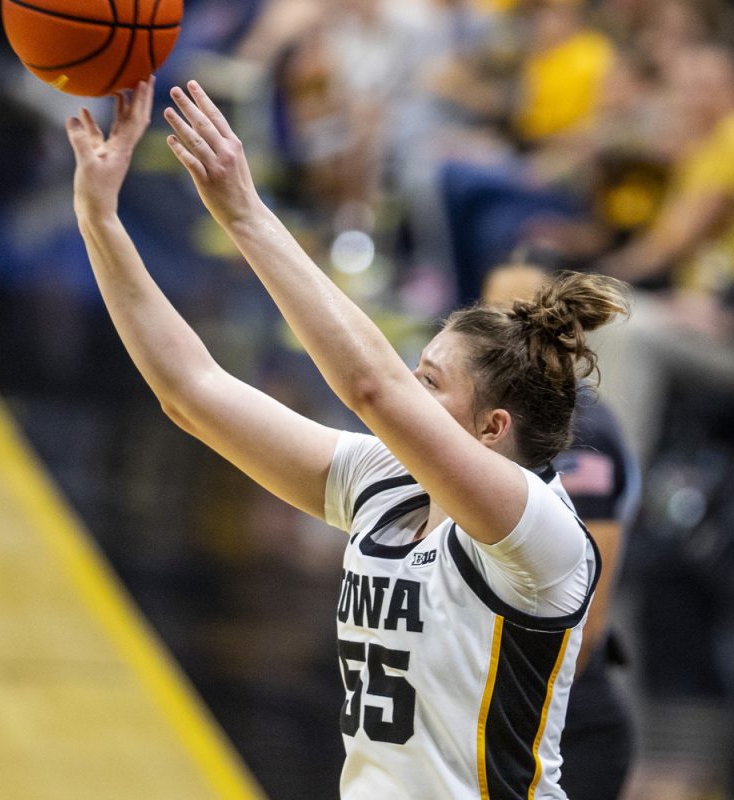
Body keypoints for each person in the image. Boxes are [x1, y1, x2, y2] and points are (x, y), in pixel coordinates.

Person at [65, 77, 630, 798]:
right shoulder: (384, 480)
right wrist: (100, 221)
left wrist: (246, 215)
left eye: (431, 382)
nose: (409, 389)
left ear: (493, 429)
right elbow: (192, 393)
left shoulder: (539, 533)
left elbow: (371, 388)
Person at [483, 260, 639, 800]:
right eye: (490, 311)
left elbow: (586, 612)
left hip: (567, 726)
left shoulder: (585, 433)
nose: (497, 326)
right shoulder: (496, 411)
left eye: (515, 314)